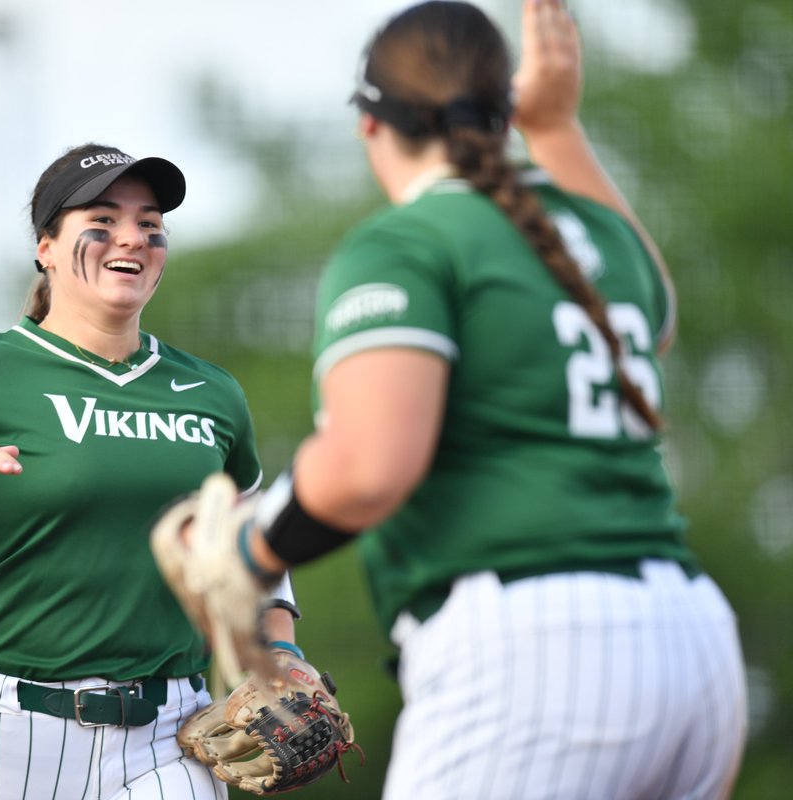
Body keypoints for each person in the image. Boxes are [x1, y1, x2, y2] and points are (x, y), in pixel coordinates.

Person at [220, 2, 747, 798]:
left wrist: (244, 548)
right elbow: (657, 309)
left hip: (535, 651)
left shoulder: (406, 240)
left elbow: (368, 469)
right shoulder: (600, 235)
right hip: (695, 643)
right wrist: (557, 129)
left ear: (371, 124)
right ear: (506, 115)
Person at [0, 143, 300, 800]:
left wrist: (283, 654)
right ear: (46, 248)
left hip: (170, 732)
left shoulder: (212, 392)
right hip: (6, 732)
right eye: (102, 221)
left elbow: (257, 545)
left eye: (149, 223)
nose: (131, 237)